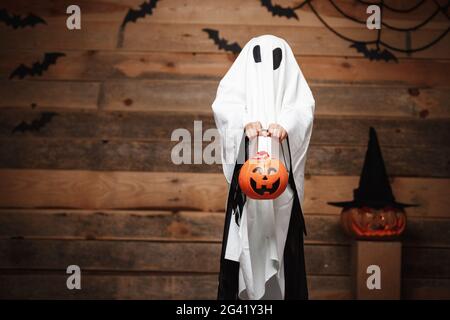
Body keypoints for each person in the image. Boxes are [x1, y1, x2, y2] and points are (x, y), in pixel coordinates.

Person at [212, 34, 315, 300]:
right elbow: (225, 106)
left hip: (282, 188)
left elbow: (303, 108)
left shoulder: (294, 89)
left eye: (276, 59)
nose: (267, 70)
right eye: (259, 57)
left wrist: (287, 125)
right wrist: (245, 122)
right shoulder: (237, 85)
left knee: (281, 248)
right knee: (246, 245)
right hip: (248, 187)